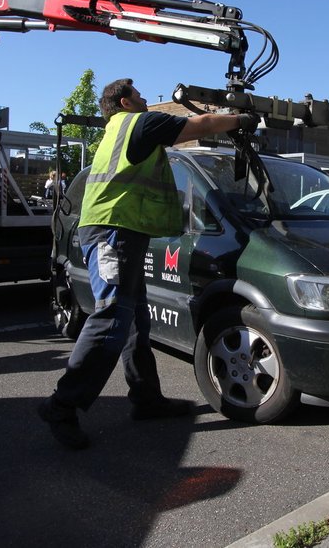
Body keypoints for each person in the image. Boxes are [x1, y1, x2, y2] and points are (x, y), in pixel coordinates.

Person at [38, 78, 260, 449]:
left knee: (135, 320)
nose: (145, 100)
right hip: (113, 233)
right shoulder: (137, 123)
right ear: (125, 101)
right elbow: (201, 126)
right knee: (111, 320)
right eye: (140, 96)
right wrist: (240, 120)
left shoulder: (116, 131)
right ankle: (62, 404)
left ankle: (147, 399)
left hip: (120, 232)